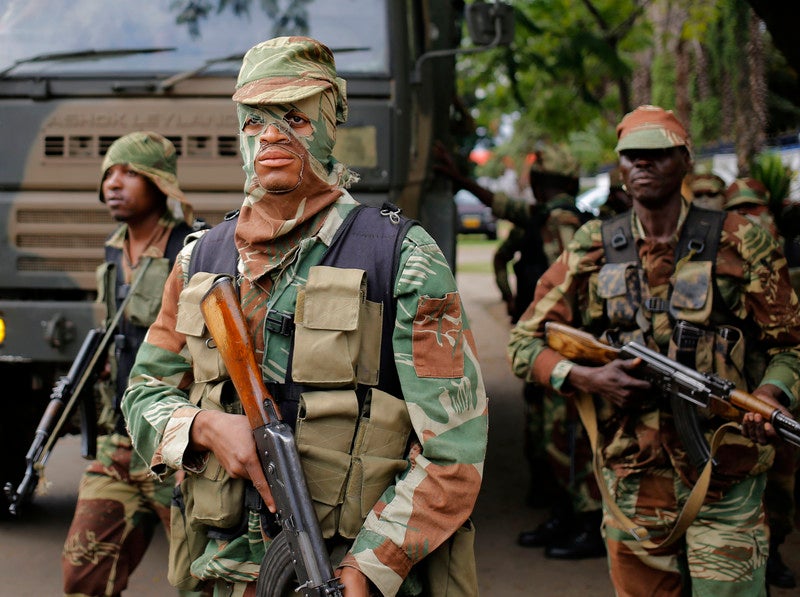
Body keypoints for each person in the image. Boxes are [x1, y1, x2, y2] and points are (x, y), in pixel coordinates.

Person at [122, 36, 488, 597]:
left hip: (347, 570)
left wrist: (371, 566)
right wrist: (206, 427)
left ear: (330, 122)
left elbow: (455, 450)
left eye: (294, 117)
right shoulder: (201, 258)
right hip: (219, 570)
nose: (271, 136)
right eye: (254, 122)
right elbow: (142, 390)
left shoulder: (401, 258)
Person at [508, 104, 800, 596]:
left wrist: (772, 394)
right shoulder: (592, 246)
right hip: (632, 473)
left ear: (685, 160)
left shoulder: (742, 242)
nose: (643, 164)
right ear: (621, 167)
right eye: (632, 156)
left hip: (725, 472)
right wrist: (587, 378)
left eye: (658, 154)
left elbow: (789, 345)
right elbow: (525, 341)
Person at [436, 142, 603, 558]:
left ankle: (588, 522)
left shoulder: (563, 221)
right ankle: (565, 513)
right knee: (551, 435)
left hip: (567, 345)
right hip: (551, 342)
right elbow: (505, 213)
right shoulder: (550, 217)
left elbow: (568, 288)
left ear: (549, 183)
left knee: (570, 437)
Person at [61, 132, 202, 597]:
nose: (114, 184)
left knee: (200, 579)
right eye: (109, 174)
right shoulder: (113, 246)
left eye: (130, 173)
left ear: (160, 183)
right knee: (83, 575)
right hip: (120, 442)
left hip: (176, 447)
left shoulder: (193, 248)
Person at [724, 177, 798, 590]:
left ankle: (774, 552)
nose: (754, 219)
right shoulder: (725, 247)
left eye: (758, 210)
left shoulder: (771, 246)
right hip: (734, 392)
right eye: (743, 210)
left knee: (781, 484)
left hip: (775, 388)